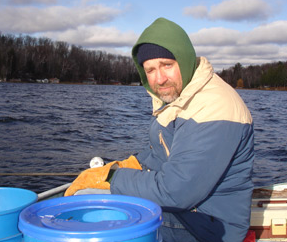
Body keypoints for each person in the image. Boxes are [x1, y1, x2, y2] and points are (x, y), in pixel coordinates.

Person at [65, 17, 254, 242]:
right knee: (87, 204)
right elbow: (162, 153)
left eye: (167, 65)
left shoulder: (213, 106)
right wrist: (132, 164)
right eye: (151, 69)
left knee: (94, 215)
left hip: (209, 226)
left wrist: (112, 177)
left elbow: (176, 192)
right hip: (190, 214)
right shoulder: (181, 97)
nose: (160, 78)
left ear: (183, 60)